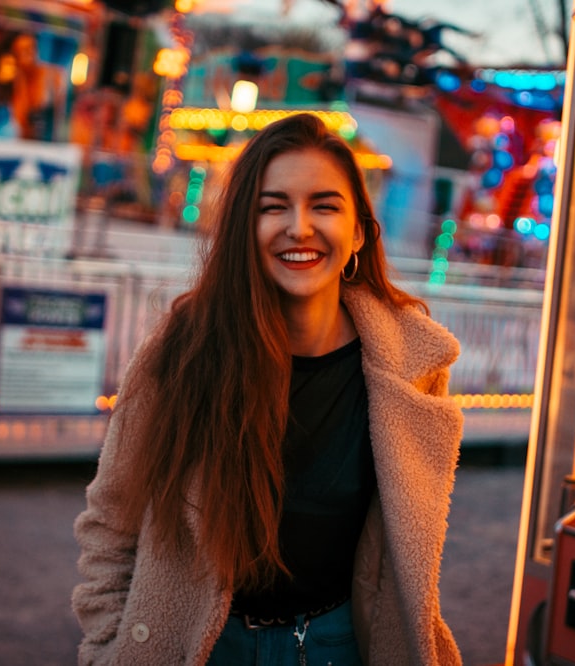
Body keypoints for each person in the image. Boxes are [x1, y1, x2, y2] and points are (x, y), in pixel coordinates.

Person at [72, 112, 464, 665]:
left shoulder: (409, 369)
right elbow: (109, 521)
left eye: (324, 206)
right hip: (199, 647)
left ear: (357, 232)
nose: (299, 227)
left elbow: (406, 561)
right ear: (244, 230)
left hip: (339, 646)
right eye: (273, 206)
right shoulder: (183, 352)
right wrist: (106, 649)